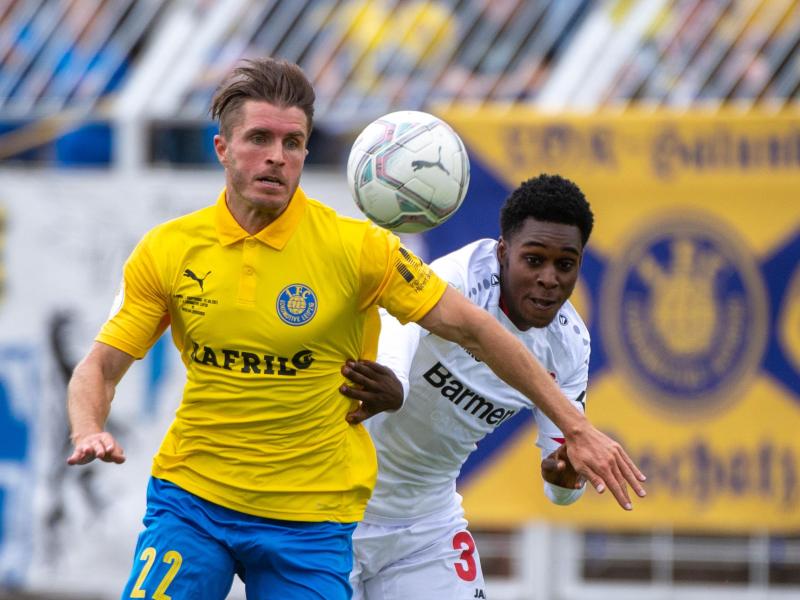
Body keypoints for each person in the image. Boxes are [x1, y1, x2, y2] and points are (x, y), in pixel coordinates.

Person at [66, 57, 645, 600]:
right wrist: (88, 426)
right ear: (222, 148)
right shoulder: (169, 249)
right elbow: (100, 364)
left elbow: (478, 335)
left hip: (325, 520)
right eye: (259, 139)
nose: (277, 156)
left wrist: (575, 431)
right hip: (193, 500)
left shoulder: (359, 249)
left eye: (292, 142)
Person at [347, 174, 606, 599]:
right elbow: (401, 322)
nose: (549, 278)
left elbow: (560, 489)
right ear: (503, 252)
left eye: (565, 264)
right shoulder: (461, 276)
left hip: (426, 526)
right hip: (338, 513)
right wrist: (394, 381)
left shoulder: (569, 347)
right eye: (534, 259)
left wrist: (565, 478)